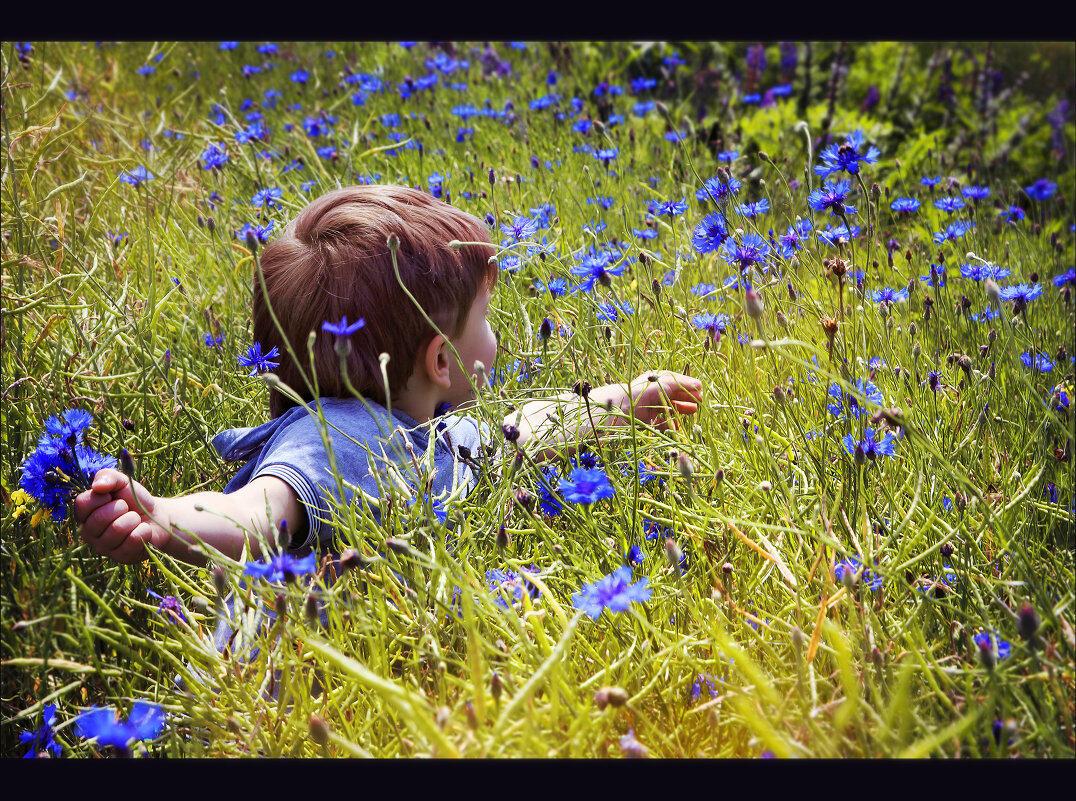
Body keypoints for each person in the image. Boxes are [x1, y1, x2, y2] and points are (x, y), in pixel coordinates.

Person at [74, 185, 704, 566]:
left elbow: (520, 430)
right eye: (484, 321)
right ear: (439, 360)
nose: (497, 336)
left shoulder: (426, 429)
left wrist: (622, 401)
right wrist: (167, 518)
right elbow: (259, 511)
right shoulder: (341, 434)